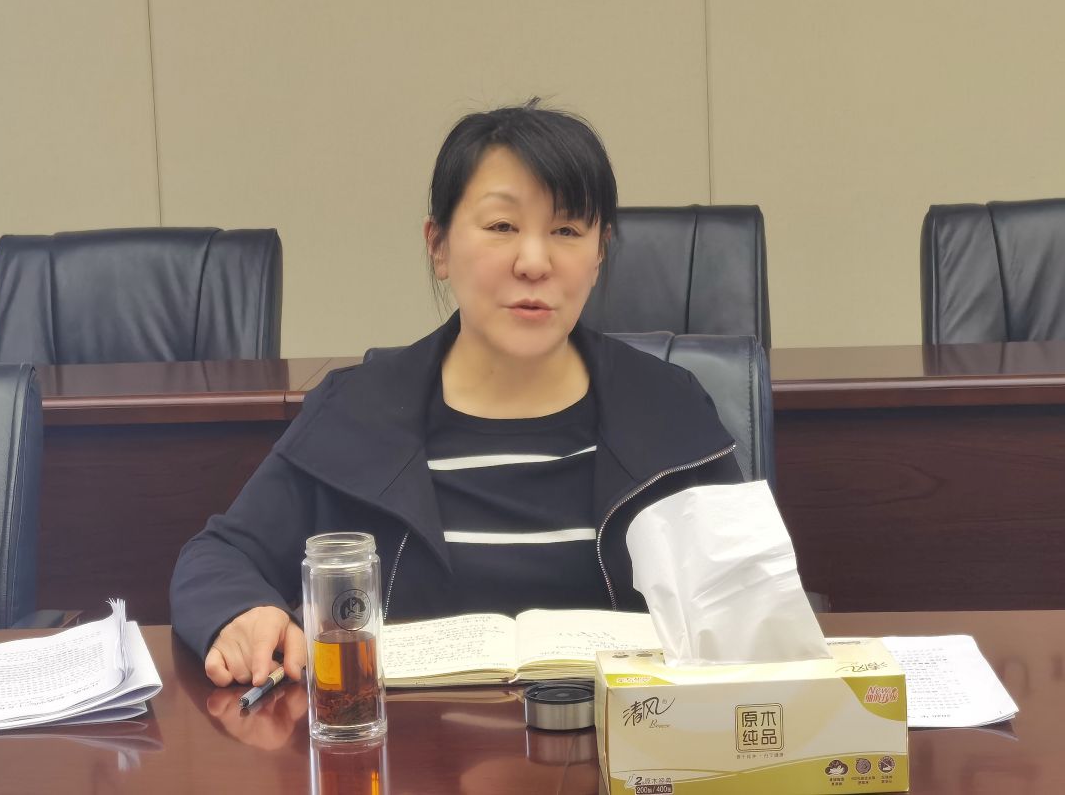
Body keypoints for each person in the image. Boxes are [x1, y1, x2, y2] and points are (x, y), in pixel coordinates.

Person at [170, 101, 743, 689]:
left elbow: (749, 597)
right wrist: (242, 612)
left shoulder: (669, 410)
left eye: (568, 231)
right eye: (502, 227)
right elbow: (219, 557)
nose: (534, 262)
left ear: (599, 254)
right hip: (401, 740)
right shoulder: (356, 412)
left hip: (624, 739)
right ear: (438, 245)